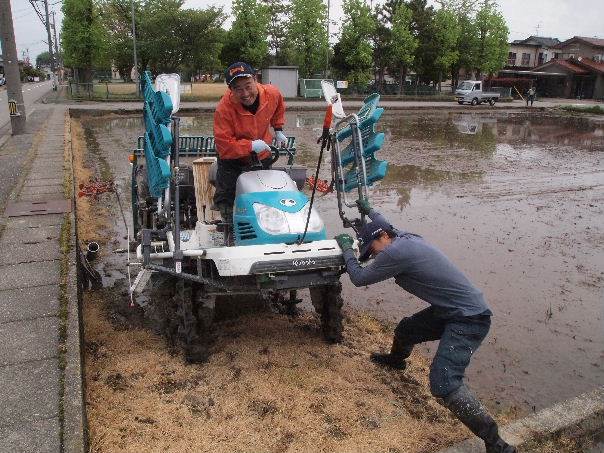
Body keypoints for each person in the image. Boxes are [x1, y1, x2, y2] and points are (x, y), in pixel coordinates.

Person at [334, 200, 516, 453]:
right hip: (451, 310)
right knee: (406, 330)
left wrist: (347, 251)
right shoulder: (404, 237)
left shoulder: (394, 253)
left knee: (443, 383)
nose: (373, 255)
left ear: (384, 237)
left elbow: (359, 278)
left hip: (469, 318)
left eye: (371, 249)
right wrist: (369, 211)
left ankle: (497, 445)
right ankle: (397, 361)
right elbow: (386, 223)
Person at [213, 61, 288, 221]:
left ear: (255, 79)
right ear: (230, 90)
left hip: (262, 154)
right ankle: (229, 225)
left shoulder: (272, 93)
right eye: (238, 89)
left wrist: (278, 129)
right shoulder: (223, 109)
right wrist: (250, 145)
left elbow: (279, 108)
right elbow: (224, 146)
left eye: (248, 86)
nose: (245, 93)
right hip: (233, 159)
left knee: (265, 195)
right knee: (226, 199)